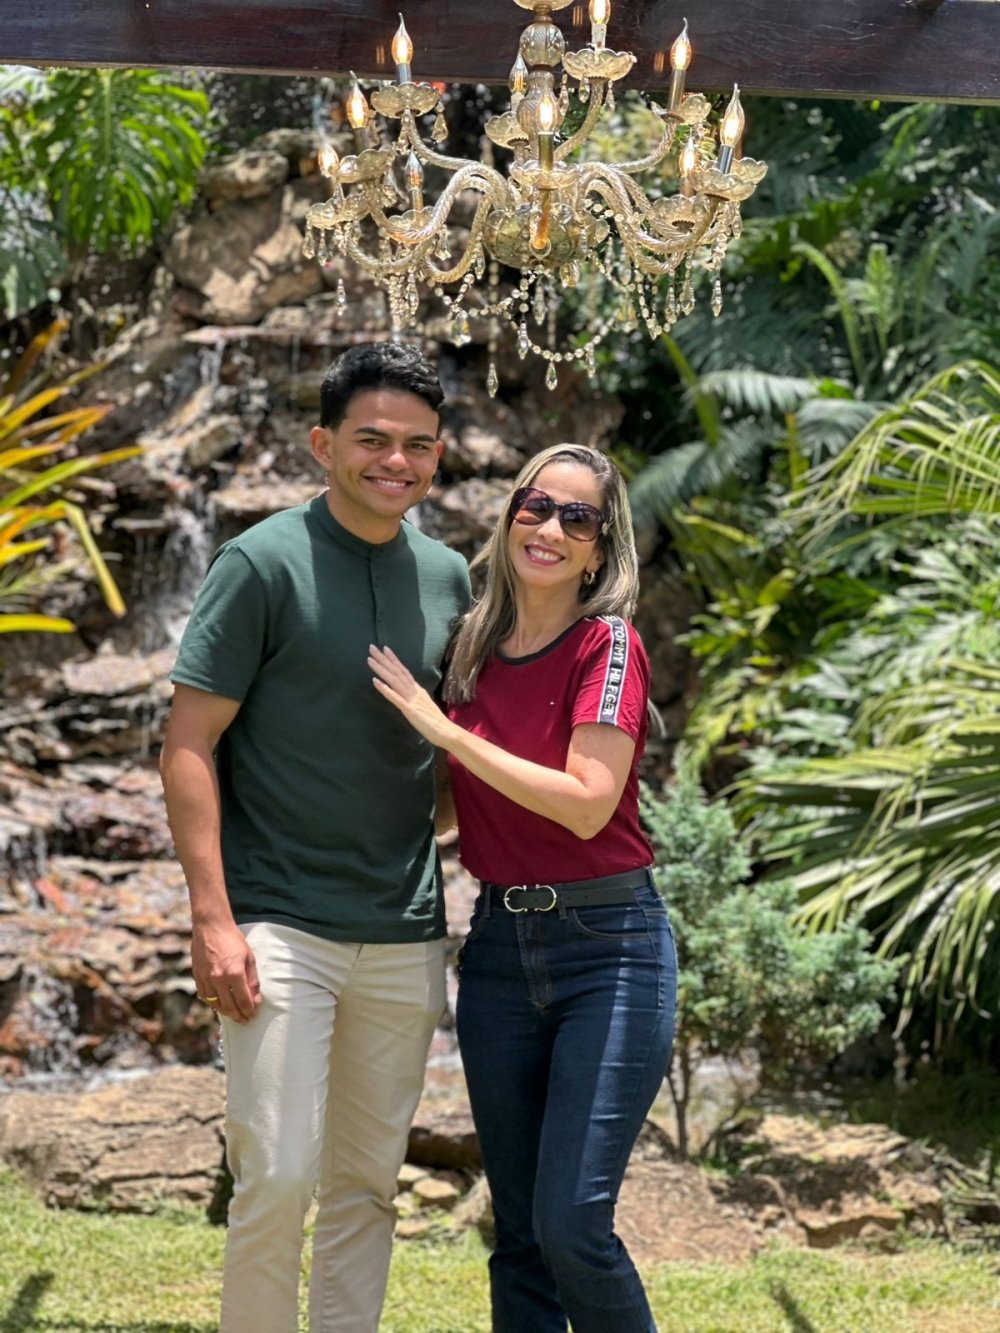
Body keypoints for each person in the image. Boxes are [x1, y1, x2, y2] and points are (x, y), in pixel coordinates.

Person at [159, 341, 471, 1333]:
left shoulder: (450, 577)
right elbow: (187, 744)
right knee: (279, 1173)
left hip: (405, 928)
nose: (396, 461)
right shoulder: (259, 561)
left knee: (366, 1186)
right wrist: (213, 918)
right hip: (277, 922)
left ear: (438, 454)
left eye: (417, 444)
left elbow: (450, 755)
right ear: (321, 445)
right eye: (371, 439)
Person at [369, 442, 677, 1333]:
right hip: (500, 949)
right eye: (535, 506)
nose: (549, 528)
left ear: (599, 548)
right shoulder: (469, 644)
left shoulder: (606, 644)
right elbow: (451, 806)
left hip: (610, 950)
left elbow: (587, 803)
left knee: (573, 1224)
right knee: (521, 1237)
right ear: (510, 516)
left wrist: (444, 731)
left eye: (577, 517)